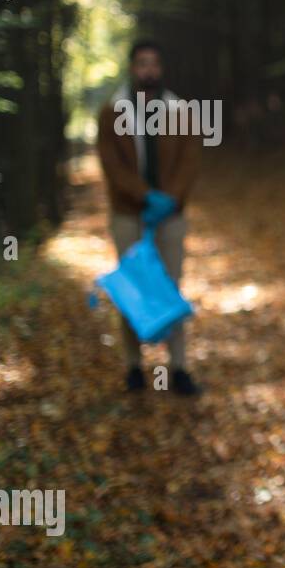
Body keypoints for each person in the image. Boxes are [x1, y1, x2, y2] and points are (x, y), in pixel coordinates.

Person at [96, 40, 202, 396]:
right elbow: (111, 163)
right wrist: (145, 196)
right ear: (131, 68)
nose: (149, 70)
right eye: (142, 64)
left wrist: (171, 198)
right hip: (129, 215)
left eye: (154, 64)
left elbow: (190, 157)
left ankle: (180, 368)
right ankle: (133, 367)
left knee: (171, 287)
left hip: (170, 216)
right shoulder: (113, 110)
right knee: (133, 288)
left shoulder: (179, 109)